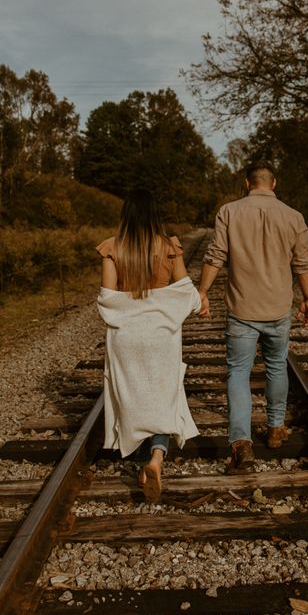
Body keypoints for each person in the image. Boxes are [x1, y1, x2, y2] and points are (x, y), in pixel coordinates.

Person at [198, 161, 308, 473]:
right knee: (277, 366)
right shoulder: (294, 217)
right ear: (273, 183)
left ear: (247, 182)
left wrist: (202, 291)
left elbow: (215, 255)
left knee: (238, 372)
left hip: (242, 311)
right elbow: (303, 264)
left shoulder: (229, 212)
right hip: (277, 310)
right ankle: (276, 429)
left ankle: (241, 442)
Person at [96, 188, 201, 502]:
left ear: (125, 215)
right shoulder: (169, 247)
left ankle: (143, 463)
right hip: (161, 335)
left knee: (133, 395)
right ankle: (156, 457)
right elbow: (184, 291)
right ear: (155, 215)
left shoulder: (112, 249)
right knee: (163, 394)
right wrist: (198, 300)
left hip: (126, 336)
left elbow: (108, 298)